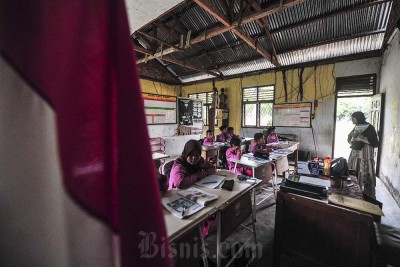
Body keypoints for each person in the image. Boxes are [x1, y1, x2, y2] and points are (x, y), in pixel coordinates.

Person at [347, 111, 379, 199]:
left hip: (365, 153)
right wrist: (353, 138)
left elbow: (374, 142)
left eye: (353, 118)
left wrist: (360, 136)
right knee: (354, 170)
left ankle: (367, 195)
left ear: (358, 118)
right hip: (356, 153)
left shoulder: (369, 127)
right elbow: (350, 138)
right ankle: (354, 191)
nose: (352, 120)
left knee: (365, 172)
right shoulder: (356, 126)